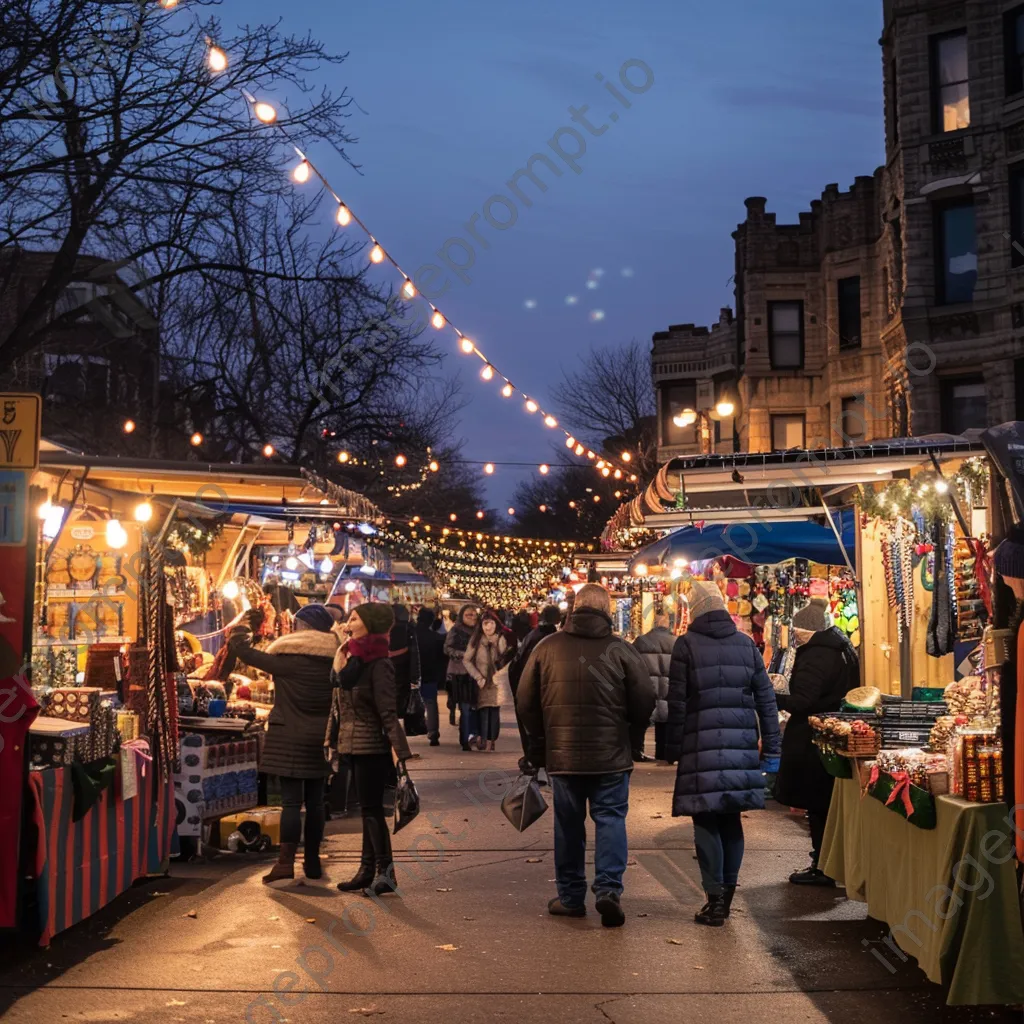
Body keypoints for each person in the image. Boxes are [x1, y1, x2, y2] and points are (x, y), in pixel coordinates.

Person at [517, 584, 655, 927]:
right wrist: (632, 738)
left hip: (563, 758)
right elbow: (645, 700)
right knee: (610, 819)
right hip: (611, 755)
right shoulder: (621, 649)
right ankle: (608, 890)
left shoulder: (546, 648)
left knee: (568, 825)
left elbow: (525, 702)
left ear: (573, 608)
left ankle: (571, 897)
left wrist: (537, 749)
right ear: (607, 611)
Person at [665, 581, 781, 927]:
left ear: (696, 610)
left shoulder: (685, 646)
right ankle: (726, 897)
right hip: (741, 748)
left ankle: (713, 898)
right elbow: (767, 701)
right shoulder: (746, 646)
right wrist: (772, 750)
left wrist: (674, 750)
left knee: (705, 819)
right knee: (731, 818)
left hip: (699, 749)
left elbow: (677, 704)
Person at [227, 603, 338, 885]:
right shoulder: (335, 659)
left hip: (289, 734)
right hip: (322, 736)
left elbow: (244, 651)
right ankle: (312, 862)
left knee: (291, 803)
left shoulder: (288, 659)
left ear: (304, 627)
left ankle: (285, 864)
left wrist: (243, 627)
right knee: (315, 803)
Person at [325, 603, 412, 896]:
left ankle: (385, 874)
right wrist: (332, 739)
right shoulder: (350, 658)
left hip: (372, 745)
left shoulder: (379, 663)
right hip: (351, 742)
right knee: (367, 811)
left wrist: (400, 752)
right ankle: (366, 870)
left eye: (354, 618)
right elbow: (337, 705)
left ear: (370, 624)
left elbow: (388, 710)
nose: (348, 623)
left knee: (373, 811)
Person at [774, 598, 859, 886]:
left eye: (799, 629)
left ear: (810, 630)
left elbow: (803, 700)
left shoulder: (817, 655)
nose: (795, 634)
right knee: (825, 803)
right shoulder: (842, 648)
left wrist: (773, 695)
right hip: (833, 732)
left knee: (817, 803)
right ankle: (826, 862)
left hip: (814, 739)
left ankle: (821, 865)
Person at [508, 605, 561, 766]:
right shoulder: (555, 639)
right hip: (545, 689)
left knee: (532, 727)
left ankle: (534, 759)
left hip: (528, 687)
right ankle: (540, 760)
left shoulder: (533, 636)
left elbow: (516, 665)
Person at [464, 609, 512, 751]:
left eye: (491, 623)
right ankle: (483, 739)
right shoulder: (476, 640)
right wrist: (478, 676)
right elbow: (466, 660)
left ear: (496, 624)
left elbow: (507, 661)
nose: (488, 627)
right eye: (485, 623)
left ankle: (491, 741)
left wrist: (502, 675)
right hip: (482, 682)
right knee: (483, 711)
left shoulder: (501, 639)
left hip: (497, 682)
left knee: (495, 712)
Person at [632, 612, 675, 762]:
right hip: (668, 690)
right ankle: (663, 753)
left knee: (642, 722)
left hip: (647, 690)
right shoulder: (676, 642)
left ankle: (638, 751)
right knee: (664, 723)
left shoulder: (641, 642)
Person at [444, 605, 479, 750]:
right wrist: (462, 655)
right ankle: (465, 739)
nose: (472, 618)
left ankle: (473, 735)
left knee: (475, 707)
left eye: (473, 615)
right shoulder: (456, 630)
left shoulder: (480, 630)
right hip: (460, 673)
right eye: (468, 615)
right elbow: (447, 648)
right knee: (465, 707)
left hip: (477, 673)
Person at [414, 607, 446, 746]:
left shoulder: (411, 635)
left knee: (409, 701)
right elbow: (442, 659)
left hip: (413, 674)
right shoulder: (436, 638)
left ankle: (411, 727)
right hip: (430, 675)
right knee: (431, 703)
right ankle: (433, 733)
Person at [389, 604, 420, 719]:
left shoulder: (383, 628)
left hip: (385, 669)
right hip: (403, 670)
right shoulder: (409, 628)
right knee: (400, 701)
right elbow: (414, 654)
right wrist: (415, 677)